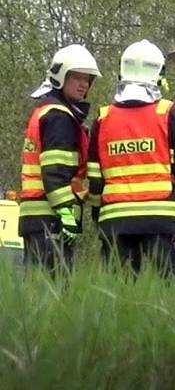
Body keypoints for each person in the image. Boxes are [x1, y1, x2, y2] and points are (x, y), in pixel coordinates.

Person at [87, 40, 175, 280]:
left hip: (115, 222)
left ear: (121, 73)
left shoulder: (103, 118)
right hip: (163, 220)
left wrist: (99, 217)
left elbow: (95, 179)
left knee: (117, 296)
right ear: (158, 75)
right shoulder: (170, 114)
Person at [19, 44, 102, 269]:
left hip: (37, 216)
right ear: (60, 77)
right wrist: (66, 213)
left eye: (88, 79)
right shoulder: (59, 117)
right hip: (51, 216)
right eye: (77, 77)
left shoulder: (46, 111)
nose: (84, 84)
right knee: (53, 292)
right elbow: (54, 173)